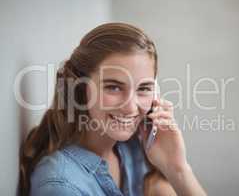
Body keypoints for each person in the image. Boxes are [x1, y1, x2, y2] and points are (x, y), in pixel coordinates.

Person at [19, 22, 207, 196]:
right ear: (79, 87)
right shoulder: (62, 186)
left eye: (143, 88)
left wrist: (177, 168)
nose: (131, 107)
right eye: (113, 87)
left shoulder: (132, 147)